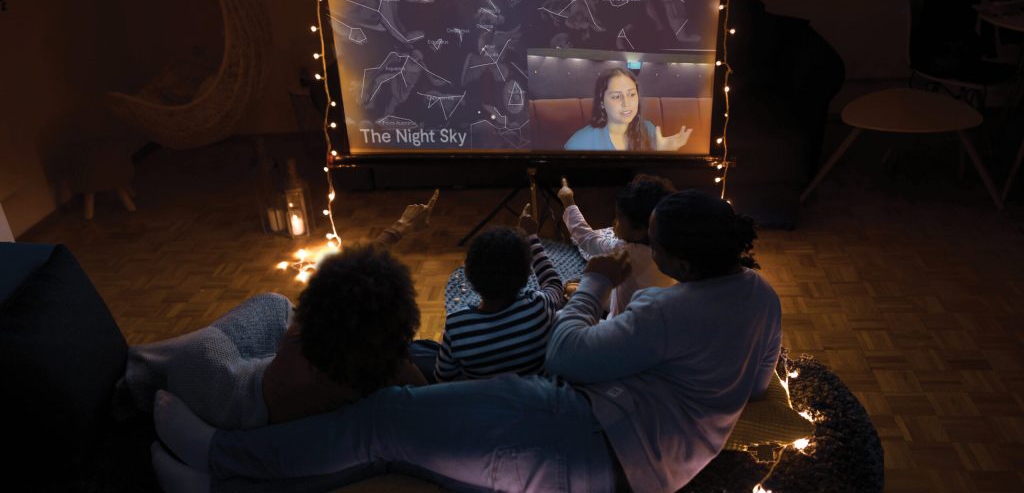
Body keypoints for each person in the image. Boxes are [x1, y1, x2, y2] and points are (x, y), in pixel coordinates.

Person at [151, 190, 782, 493]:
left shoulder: (665, 310)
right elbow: (755, 384)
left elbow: (566, 356)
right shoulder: (760, 296)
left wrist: (588, 286)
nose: (645, 248)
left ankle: (222, 463)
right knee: (417, 361)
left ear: (682, 259)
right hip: (628, 445)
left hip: (589, 434)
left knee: (388, 419)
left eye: (654, 242)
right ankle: (251, 434)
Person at [126, 191, 440, 431]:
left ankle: (137, 365)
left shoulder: (304, 332)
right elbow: (433, 402)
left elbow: (339, 280)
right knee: (276, 307)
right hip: (215, 383)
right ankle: (135, 377)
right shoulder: (388, 367)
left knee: (275, 303)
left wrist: (398, 228)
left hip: (207, 365)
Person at [435, 204, 564, 382]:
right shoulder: (538, 306)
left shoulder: (457, 325)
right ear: (528, 274)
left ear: (468, 275)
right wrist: (532, 237)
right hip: (538, 397)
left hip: (485, 404)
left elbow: (444, 378)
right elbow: (554, 283)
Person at [559, 174, 677, 317]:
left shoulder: (624, 251)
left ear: (639, 231)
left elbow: (586, 239)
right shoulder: (668, 247)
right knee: (578, 289)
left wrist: (568, 201)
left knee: (562, 311)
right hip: (648, 310)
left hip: (624, 325)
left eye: (619, 219)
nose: (614, 222)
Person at [563, 67, 693, 152]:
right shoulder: (579, 144)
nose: (626, 103)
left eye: (631, 94)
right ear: (602, 102)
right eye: (616, 96)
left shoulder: (649, 129)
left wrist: (664, 154)